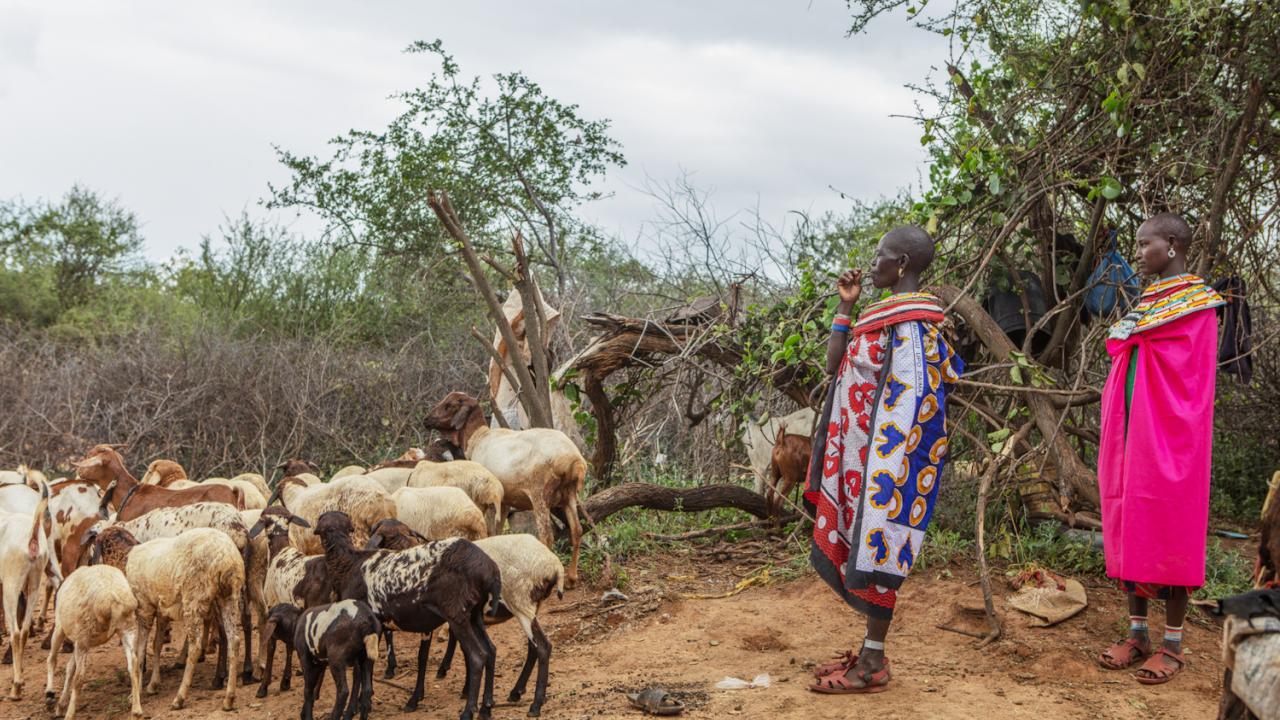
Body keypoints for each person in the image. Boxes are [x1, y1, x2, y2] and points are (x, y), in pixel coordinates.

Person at [804, 225, 963, 694]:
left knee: (880, 546)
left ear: (902, 265)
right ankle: (870, 653)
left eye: (881, 257)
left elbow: (912, 405)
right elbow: (835, 366)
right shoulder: (881, 315)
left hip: (885, 469)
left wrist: (886, 475)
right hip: (858, 462)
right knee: (864, 544)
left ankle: (873, 662)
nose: (871, 265)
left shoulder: (916, 325)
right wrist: (847, 305)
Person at [1096, 212, 1224, 684]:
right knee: (1132, 520)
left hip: (1172, 432)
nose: (1138, 251)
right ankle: (1137, 633)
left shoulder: (1198, 303)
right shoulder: (1149, 300)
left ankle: (1172, 642)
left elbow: (1192, 374)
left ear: (1171, 245)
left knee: (1170, 525)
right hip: (1131, 431)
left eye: (1144, 243)